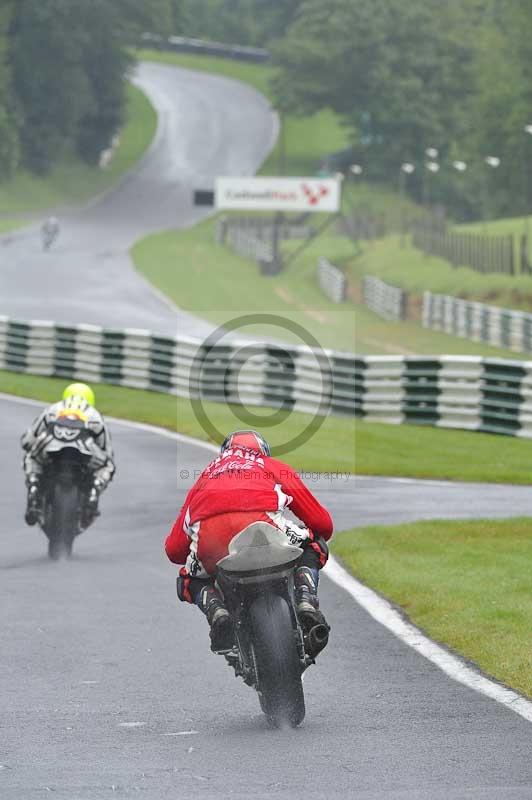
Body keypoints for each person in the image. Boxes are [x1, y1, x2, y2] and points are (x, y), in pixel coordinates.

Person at [165, 430, 333, 653]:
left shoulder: (206, 475)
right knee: (314, 544)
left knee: (188, 579)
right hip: (265, 527)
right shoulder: (270, 465)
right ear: (263, 451)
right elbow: (322, 524)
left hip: (213, 542)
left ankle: (216, 611)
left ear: (224, 453)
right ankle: (306, 598)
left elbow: (174, 551)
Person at [21, 383, 115, 527]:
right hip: (85, 446)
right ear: (91, 399)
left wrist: (29, 445)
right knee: (108, 465)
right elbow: (106, 450)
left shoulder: (54, 408)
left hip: (50, 443)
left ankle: (34, 487)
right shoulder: (95, 415)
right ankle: (94, 492)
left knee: (31, 457)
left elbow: (28, 440)